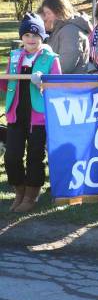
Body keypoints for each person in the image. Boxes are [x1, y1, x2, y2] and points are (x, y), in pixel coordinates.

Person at [1, 14, 62, 213]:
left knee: (35, 157)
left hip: (39, 117)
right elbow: (8, 83)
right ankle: (19, 190)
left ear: (42, 37)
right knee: (11, 157)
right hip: (16, 114)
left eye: (35, 34)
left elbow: (58, 87)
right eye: (26, 34)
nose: (31, 39)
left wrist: (43, 82)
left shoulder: (50, 59)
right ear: (22, 37)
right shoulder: (15, 56)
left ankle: (31, 195)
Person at [38, 0, 92, 74]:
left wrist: (39, 72)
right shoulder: (59, 31)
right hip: (60, 83)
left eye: (48, 13)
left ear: (59, 12)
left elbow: (65, 66)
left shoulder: (70, 32)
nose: (46, 17)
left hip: (69, 84)